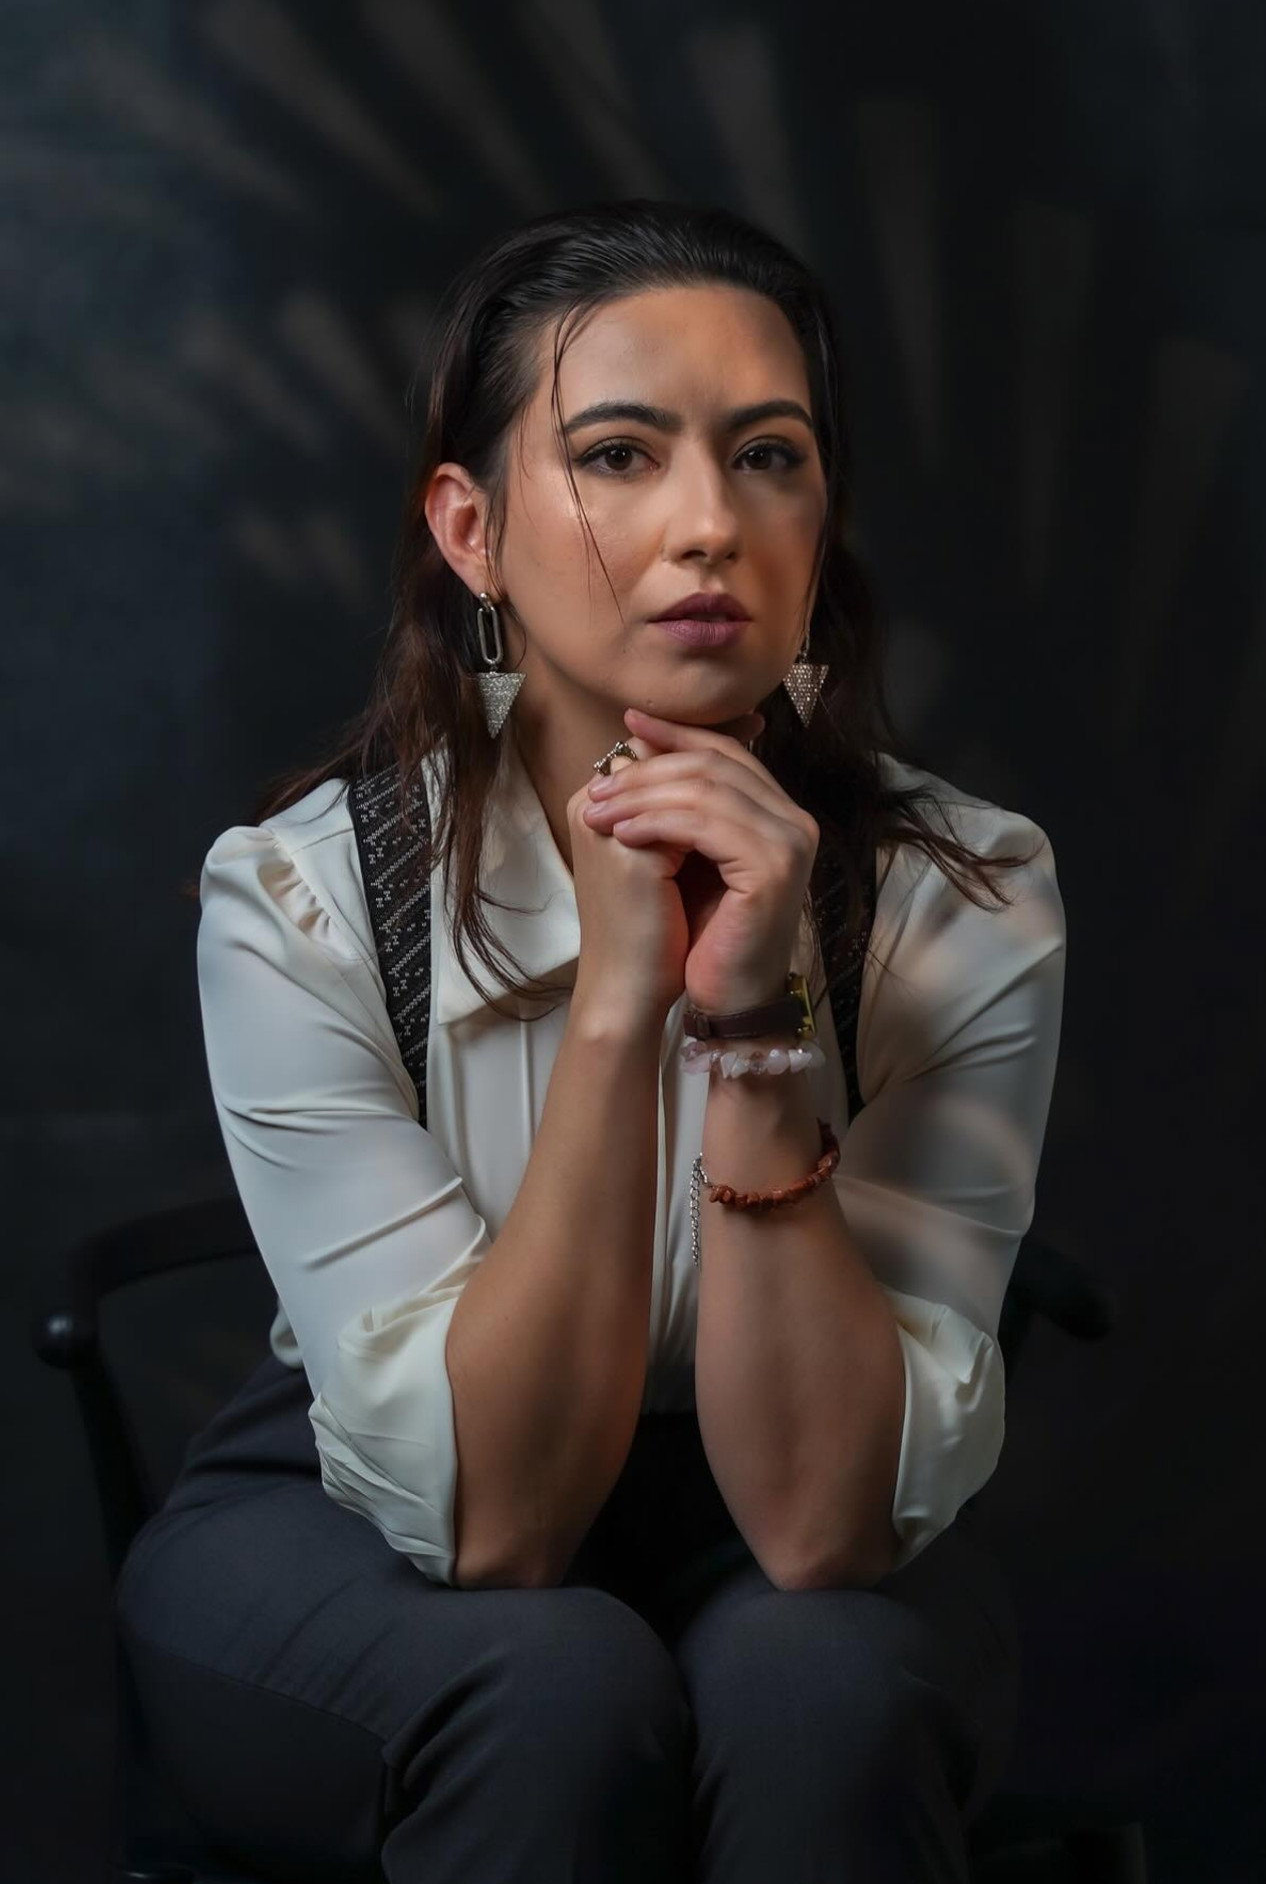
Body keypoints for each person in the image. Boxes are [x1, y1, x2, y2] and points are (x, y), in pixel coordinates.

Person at [114, 197, 1066, 1883]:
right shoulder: (305, 897)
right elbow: (497, 1526)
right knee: (547, 1684)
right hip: (361, 1509)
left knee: (826, 1689)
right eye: (619, 455)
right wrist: (625, 1002)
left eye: (768, 457)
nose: (710, 524)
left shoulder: (961, 894)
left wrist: (756, 1020)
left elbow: (823, 1526)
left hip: (780, 1499)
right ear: (470, 531)